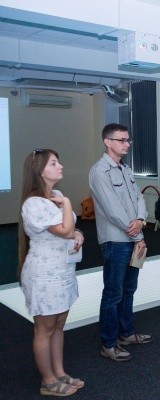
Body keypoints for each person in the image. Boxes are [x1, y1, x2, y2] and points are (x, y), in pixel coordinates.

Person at [18, 149, 85, 396]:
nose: (60, 166)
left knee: (58, 325)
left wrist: (79, 234)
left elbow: (70, 230)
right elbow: (65, 230)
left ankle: (59, 372)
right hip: (44, 274)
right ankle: (47, 381)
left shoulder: (55, 196)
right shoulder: (34, 203)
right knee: (44, 329)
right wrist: (67, 206)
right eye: (54, 163)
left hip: (62, 270)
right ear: (40, 171)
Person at [89, 123, 151, 362]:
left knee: (129, 290)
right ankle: (109, 343)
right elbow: (113, 210)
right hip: (116, 241)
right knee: (113, 294)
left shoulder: (125, 169)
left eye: (128, 140)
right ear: (108, 142)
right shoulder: (99, 172)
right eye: (122, 140)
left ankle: (127, 333)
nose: (127, 144)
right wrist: (138, 236)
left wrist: (142, 220)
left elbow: (139, 197)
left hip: (134, 238)